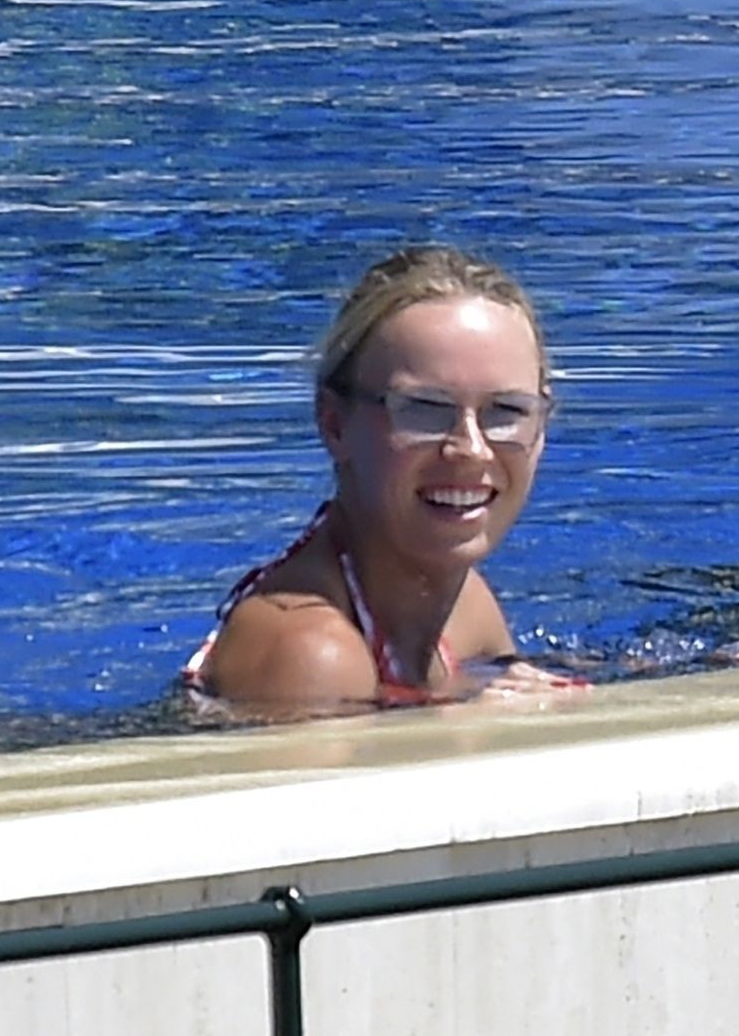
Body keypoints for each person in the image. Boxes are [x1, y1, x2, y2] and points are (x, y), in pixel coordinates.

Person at [183, 245, 573, 713]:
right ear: (334, 425)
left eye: (506, 411)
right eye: (424, 410)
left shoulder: (464, 606)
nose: (471, 447)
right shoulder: (310, 653)